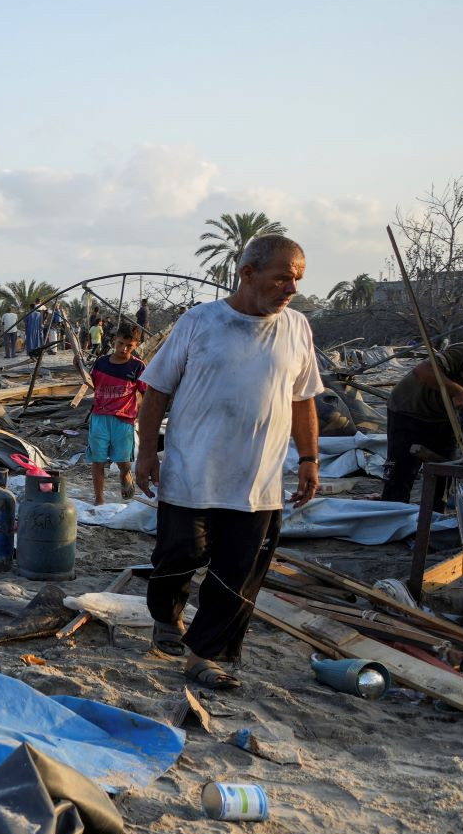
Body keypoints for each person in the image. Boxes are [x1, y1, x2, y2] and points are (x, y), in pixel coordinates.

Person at [134, 234, 320, 692]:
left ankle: (205, 656)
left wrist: (310, 458)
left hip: (259, 480)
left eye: (297, 279)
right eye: (282, 278)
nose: (291, 289)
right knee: (178, 555)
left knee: (239, 573)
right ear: (247, 274)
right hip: (191, 472)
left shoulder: (297, 328)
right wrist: (146, 452)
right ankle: (166, 615)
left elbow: (302, 400)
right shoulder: (200, 322)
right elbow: (157, 390)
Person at [382, 343, 463, 503]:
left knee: (444, 473)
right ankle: (393, 512)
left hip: (447, 418)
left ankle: (434, 515)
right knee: (401, 472)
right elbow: (423, 370)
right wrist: (458, 392)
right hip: (410, 410)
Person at [87, 324, 147, 503]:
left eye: (129, 346)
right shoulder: (101, 363)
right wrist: (79, 369)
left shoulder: (137, 366)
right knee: (98, 460)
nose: (124, 349)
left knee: (123, 462)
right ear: (115, 340)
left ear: (136, 345)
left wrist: (141, 416)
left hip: (124, 420)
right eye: (120, 344)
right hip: (99, 417)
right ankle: (99, 499)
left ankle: (125, 475)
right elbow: (89, 384)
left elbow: (146, 394)